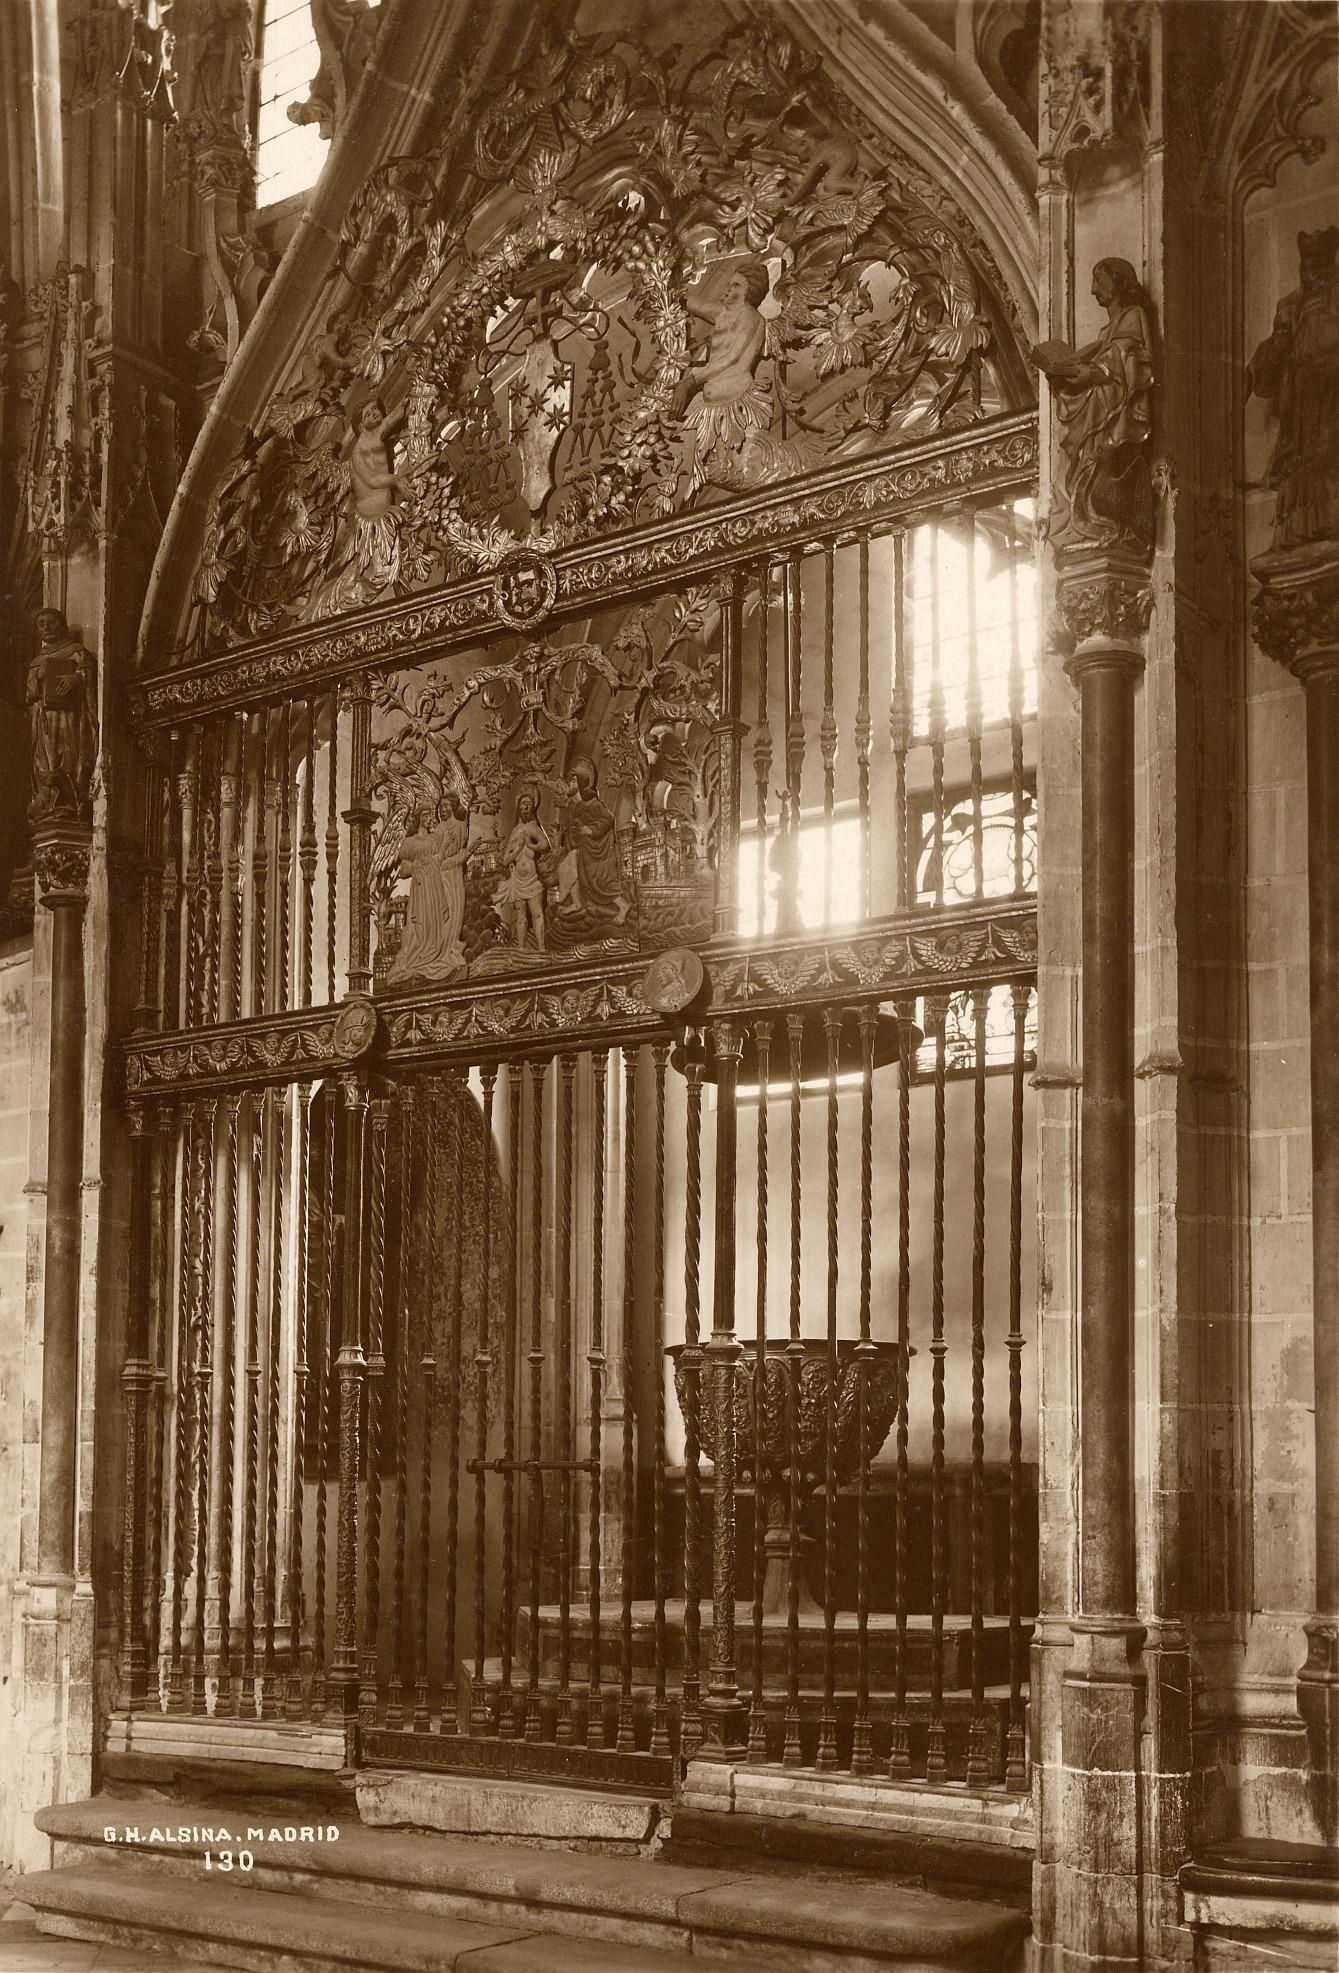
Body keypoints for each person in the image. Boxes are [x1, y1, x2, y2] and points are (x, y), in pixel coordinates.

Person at [1032, 257, 1154, 552]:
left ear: (1120, 282)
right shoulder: (1105, 333)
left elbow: (1127, 361)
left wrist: (1094, 373)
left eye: (1100, 281)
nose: (1092, 290)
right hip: (1100, 407)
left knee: (1099, 463)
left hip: (1111, 413)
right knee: (1083, 458)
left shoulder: (1133, 316)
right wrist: (1065, 377)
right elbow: (1105, 361)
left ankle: (1099, 521)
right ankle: (1085, 519)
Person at [1247, 226, 1339, 550]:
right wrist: (1268, 354)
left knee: (1328, 454)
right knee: (1299, 460)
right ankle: (1298, 530)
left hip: (1331, 390)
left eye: (1319, 260)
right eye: (1307, 261)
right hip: (1300, 393)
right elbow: (1273, 354)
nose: (1312, 267)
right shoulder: (1291, 303)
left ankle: (1327, 521)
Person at [387, 795, 469, 984]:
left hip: (434, 884)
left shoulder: (434, 839)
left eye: (428, 815)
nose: (427, 818)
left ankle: (435, 954)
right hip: (420, 886)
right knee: (420, 922)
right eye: (424, 815)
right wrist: (416, 866)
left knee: (435, 922)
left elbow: (440, 859)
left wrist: (449, 845)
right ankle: (420, 957)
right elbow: (403, 871)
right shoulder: (410, 843)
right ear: (418, 818)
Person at [27, 608, 98, 824]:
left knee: (68, 755)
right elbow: (29, 696)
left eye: (51, 622)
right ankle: (49, 802)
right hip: (44, 720)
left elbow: (89, 676)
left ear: (63, 625)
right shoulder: (37, 661)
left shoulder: (76, 652)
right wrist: (37, 680)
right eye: (41, 624)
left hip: (68, 718)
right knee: (44, 761)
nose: (46, 627)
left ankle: (68, 801)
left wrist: (77, 679)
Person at [551, 759, 629, 927]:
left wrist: (591, 830)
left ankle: (623, 906)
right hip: (582, 852)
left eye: (573, 780)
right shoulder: (577, 807)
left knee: (598, 881)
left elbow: (608, 820)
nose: (570, 783)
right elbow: (573, 830)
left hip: (595, 854)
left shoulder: (593, 803)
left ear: (581, 782)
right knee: (567, 869)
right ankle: (577, 903)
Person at [492, 786, 550, 950]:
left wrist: (531, 844)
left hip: (531, 877)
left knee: (538, 913)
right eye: (523, 804)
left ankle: (541, 948)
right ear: (518, 806)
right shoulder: (515, 831)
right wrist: (517, 849)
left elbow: (545, 845)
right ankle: (522, 949)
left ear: (532, 807)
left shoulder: (533, 827)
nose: (526, 807)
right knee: (521, 917)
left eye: (529, 804)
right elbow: (505, 859)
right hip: (518, 879)